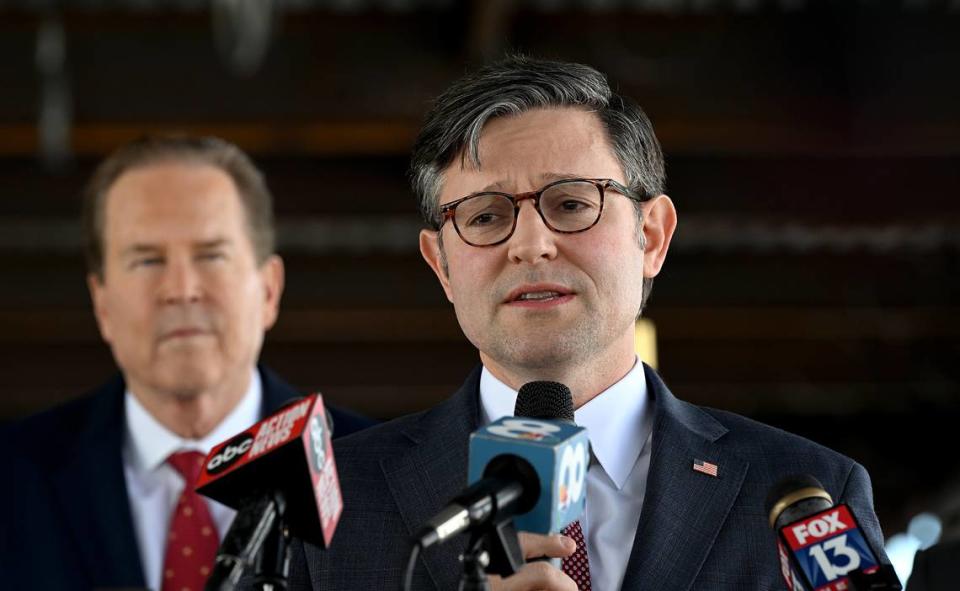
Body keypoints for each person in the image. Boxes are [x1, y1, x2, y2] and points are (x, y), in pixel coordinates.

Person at [288, 56, 889, 590]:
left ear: (651, 236)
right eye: (485, 215)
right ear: (441, 265)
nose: (530, 245)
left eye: (572, 203)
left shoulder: (809, 497)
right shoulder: (327, 500)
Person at [0, 136, 375, 591]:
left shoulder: (376, 474)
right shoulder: (13, 478)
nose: (181, 288)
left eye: (211, 255)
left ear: (269, 290)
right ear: (102, 305)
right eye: (147, 260)